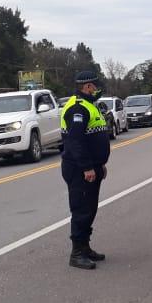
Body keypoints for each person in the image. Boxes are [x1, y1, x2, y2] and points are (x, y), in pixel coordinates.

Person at [60, 71, 112, 270]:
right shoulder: (77, 109)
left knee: (90, 209)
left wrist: (100, 164)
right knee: (81, 209)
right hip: (79, 169)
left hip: (92, 166)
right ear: (88, 86)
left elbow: (94, 138)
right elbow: (76, 141)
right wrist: (87, 167)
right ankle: (77, 253)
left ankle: (85, 246)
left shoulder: (90, 106)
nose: (97, 90)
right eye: (95, 86)